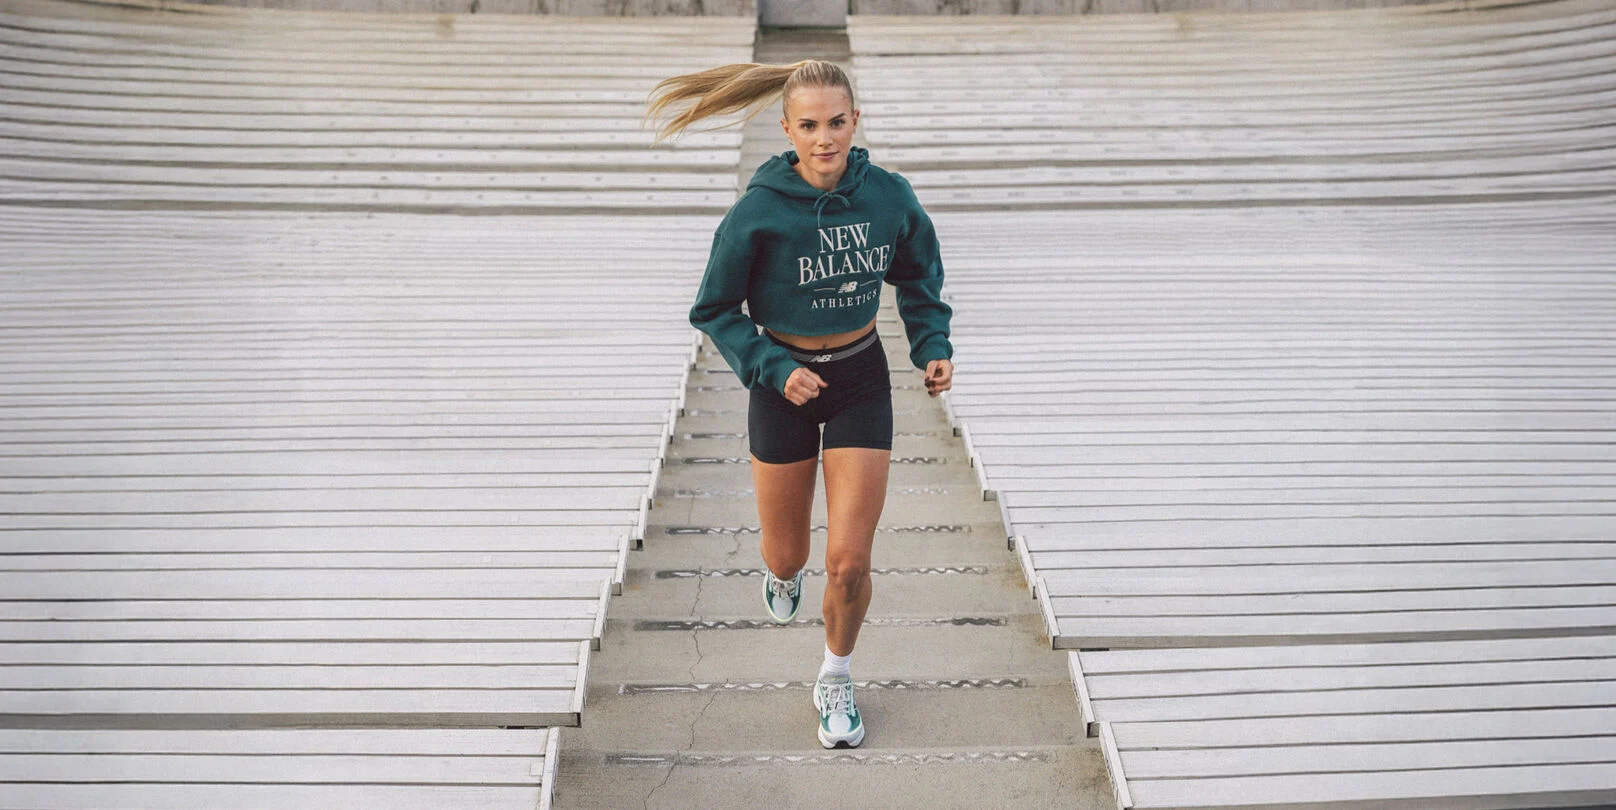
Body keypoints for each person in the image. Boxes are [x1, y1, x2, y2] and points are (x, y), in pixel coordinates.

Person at [644, 59, 954, 749]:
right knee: (787, 557)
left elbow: (919, 275)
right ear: (786, 129)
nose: (824, 139)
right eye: (809, 125)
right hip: (780, 389)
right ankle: (781, 576)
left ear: (855, 122)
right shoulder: (756, 213)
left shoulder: (889, 197)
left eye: (837, 123)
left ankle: (836, 675)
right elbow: (714, 308)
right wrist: (773, 366)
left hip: (859, 380)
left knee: (848, 562)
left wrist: (931, 343)